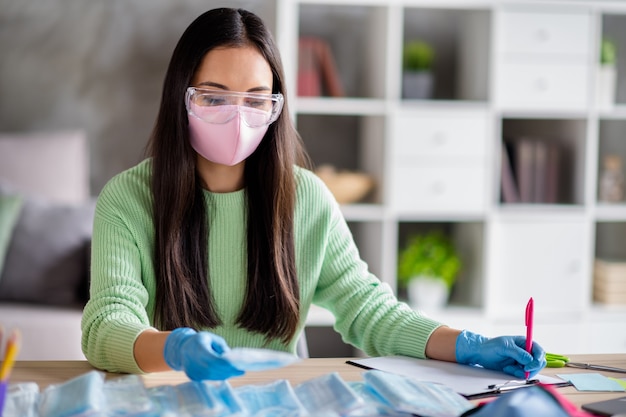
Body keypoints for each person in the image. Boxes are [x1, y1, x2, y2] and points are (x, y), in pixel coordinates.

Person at [81, 7, 546, 381]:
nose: (237, 117)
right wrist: (174, 349)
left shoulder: (307, 199)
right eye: (215, 96)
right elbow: (106, 325)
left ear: (276, 108)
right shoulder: (127, 200)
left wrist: (468, 345)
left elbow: (368, 310)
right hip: (169, 399)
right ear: (181, 98)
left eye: (256, 99)